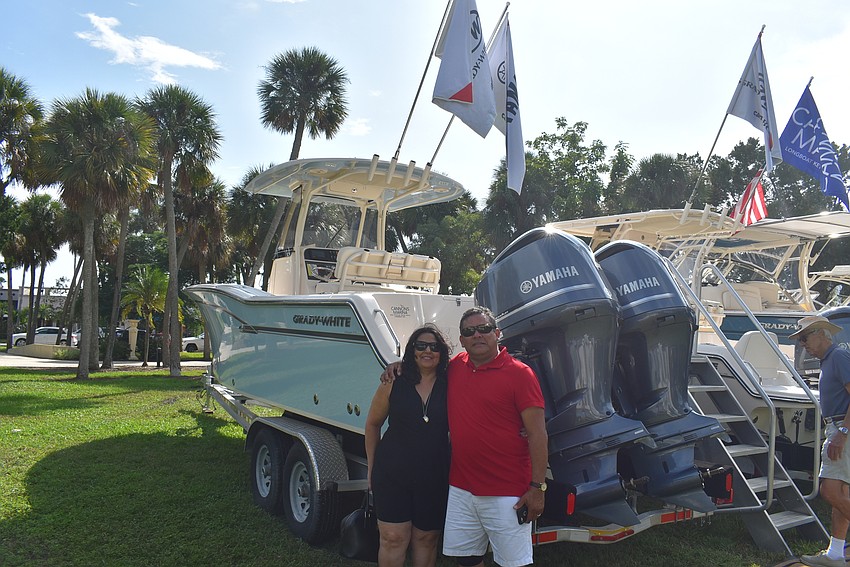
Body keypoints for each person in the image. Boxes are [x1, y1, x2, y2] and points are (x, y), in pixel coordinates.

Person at [382, 306, 548, 567]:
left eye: (483, 329)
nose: (477, 335)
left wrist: (537, 488)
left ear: (497, 333)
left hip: (506, 491)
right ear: (461, 340)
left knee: (515, 563)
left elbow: (538, 433)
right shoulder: (456, 368)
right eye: (469, 331)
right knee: (466, 557)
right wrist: (399, 365)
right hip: (462, 488)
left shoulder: (520, 374)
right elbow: (426, 365)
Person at [365, 325, 451, 567]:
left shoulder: (451, 382)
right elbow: (372, 425)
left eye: (434, 347)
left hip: (434, 475)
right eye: (420, 345)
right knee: (393, 538)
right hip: (392, 473)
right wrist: (372, 468)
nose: (427, 350)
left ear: (441, 352)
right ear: (411, 350)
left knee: (426, 538)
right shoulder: (394, 380)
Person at [795, 315, 850, 567]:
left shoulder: (837, 357)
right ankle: (836, 554)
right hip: (839, 427)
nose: (803, 344)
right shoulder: (831, 360)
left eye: (805, 338)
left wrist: (843, 433)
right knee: (841, 494)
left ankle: (835, 554)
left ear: (820, 333)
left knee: (828, 490)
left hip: (842, 428)